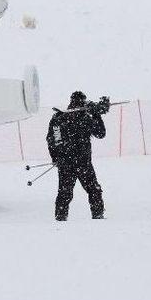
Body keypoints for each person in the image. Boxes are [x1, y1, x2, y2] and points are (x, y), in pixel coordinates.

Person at [46, 91, 109, 221]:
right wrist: (56, 158)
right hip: (75, 163)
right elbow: (53, 140)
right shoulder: (61, 118)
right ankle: (94, 217)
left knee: (71, 193)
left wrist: (96, 114)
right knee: (74, 193)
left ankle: (63, 219)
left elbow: (100, 133)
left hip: (77, 163)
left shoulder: (81, 118)